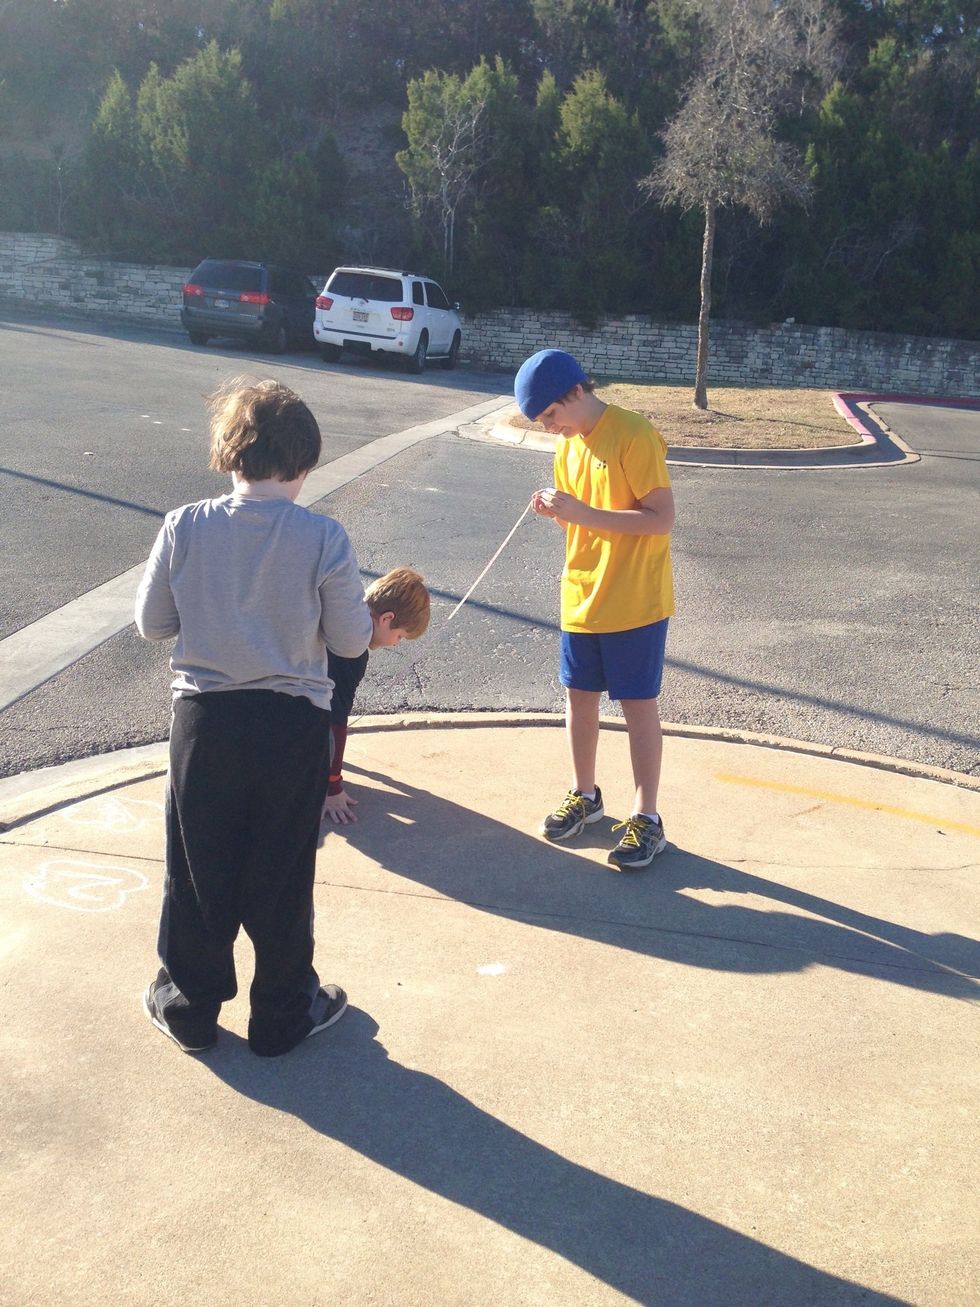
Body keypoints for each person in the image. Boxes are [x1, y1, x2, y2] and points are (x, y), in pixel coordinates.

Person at [134, 376, 373, 1057]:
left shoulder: (184, 525)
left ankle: (188, 1005)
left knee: (196, 866)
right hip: (292, 725)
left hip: (205, 721)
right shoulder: (324, 536)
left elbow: (153, 623)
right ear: (302, 463)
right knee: (282, 870)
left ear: (228, 454)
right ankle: (281, 1011)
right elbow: (353, 640)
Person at [517, 349, 675, 870]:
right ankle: (585, 795)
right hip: (582, 594)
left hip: (634, 598)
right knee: (579, 698)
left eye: (551, 416)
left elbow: (660, 519)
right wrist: (560, 514)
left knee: (636, 706)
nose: (551, 427)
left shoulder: (633, 434)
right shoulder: (569, 448)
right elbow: (584, 524)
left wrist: (582, 511)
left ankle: (646, 818)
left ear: (576, 393)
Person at [322, 567, 431, 825]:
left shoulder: (345, 611)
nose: (396, 643)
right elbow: (335, 722)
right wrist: (333, 787)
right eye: (400, 635)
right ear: (386, 618)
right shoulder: (353, 651)